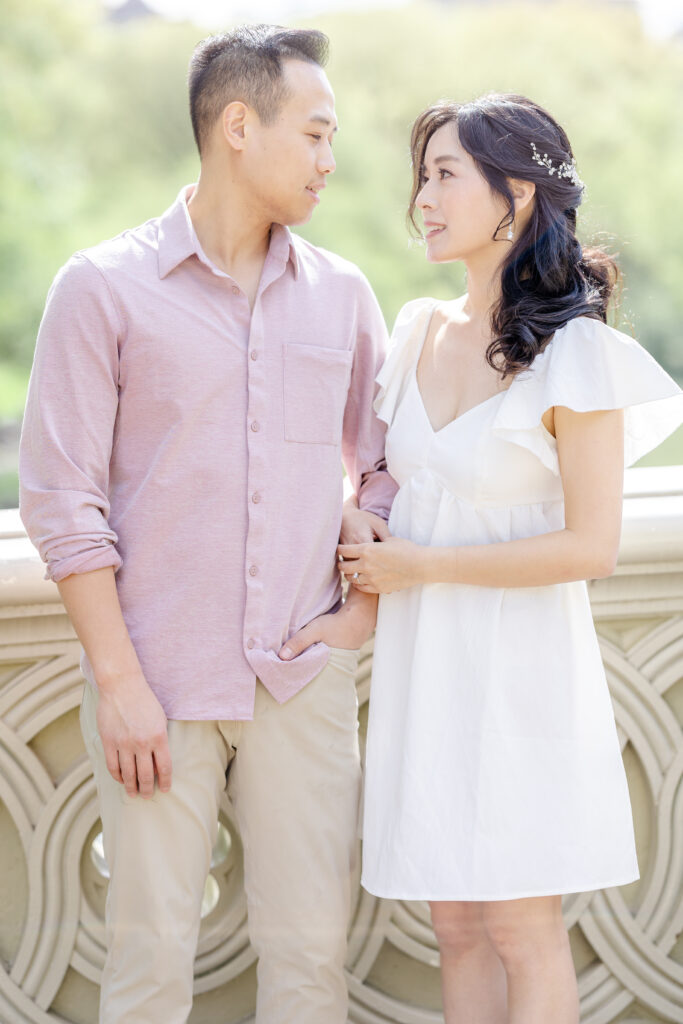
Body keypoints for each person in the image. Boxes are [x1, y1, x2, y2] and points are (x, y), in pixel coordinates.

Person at [19, 25, 394, 1024]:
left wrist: (355, 616)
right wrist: (120, 683)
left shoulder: (346, 297)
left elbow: (392, 471)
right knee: (146, 974)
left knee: (311, 972)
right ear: (238, 125)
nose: (328, 158)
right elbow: (60, 501)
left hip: (302, 683)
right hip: (158, 690)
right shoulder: (101, 288)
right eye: (313, 134)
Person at [332, 94, 683, 1022]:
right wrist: (367, 528)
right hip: (426, 665)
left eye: (446, 174)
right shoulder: (414, 333)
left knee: (523, 928)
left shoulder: (577, 355)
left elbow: (590, 545)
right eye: (424, 175)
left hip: (521, 673)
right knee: (452, 925)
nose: (424, 198)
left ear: (516, 195)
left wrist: (424, 568)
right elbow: (394, 485)